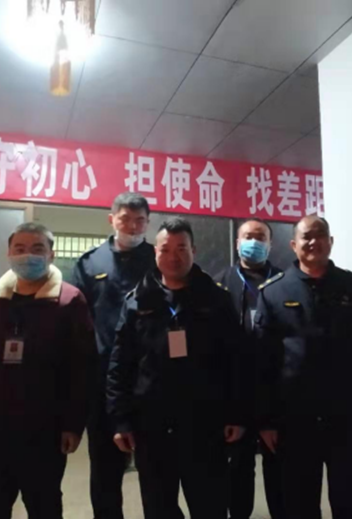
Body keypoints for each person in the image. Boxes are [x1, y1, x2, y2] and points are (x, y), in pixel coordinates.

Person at [255, 215, 352, 519]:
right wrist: (265, 420)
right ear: (294, 245)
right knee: (299, 505)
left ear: (330, 242)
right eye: (306, 237)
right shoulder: (274, 293)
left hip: (347, 418)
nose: (313, 242)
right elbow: (262, 363)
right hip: (295, 422)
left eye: (320, 235)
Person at [106, 217, 247, 519]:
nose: (173, 256)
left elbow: (236, 360)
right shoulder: (137, 302)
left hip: (205, 425)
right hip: (152, 427)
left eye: (181, 248)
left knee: (209, 506)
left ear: (193, 250)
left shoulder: (217, 299)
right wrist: (121, 420)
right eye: (165, 249)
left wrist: (237, 413)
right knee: (158, 508)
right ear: (155, 252)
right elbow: (120, 364)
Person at [0, 222, 95, 519]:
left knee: (44, 506)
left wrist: (73, 424)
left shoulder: (70, 301)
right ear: (9, 254)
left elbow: (81, 368)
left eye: (37, 248)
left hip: (45, 430)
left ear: (51, 255)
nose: (28, 255)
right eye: (20, 248)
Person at [71, 192, 157, 519]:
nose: (132, 227)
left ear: (148, 223)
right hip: (105, 382)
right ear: (112, 220)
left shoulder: (159, 258)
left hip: (152, 379)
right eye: (125, 220)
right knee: (105, 469)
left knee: (157, 467)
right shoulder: (89, 263)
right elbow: (76, 322)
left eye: (140, 221)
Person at [216, 218, 285, 519]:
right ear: (237, 242)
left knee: (280, 472)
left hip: (276, 392)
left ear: (270, 244)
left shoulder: (284, 283)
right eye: (247, 236)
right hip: (235, 393)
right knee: (237, 473)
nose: (253, 242)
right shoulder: (219, 284)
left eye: (260, 237)